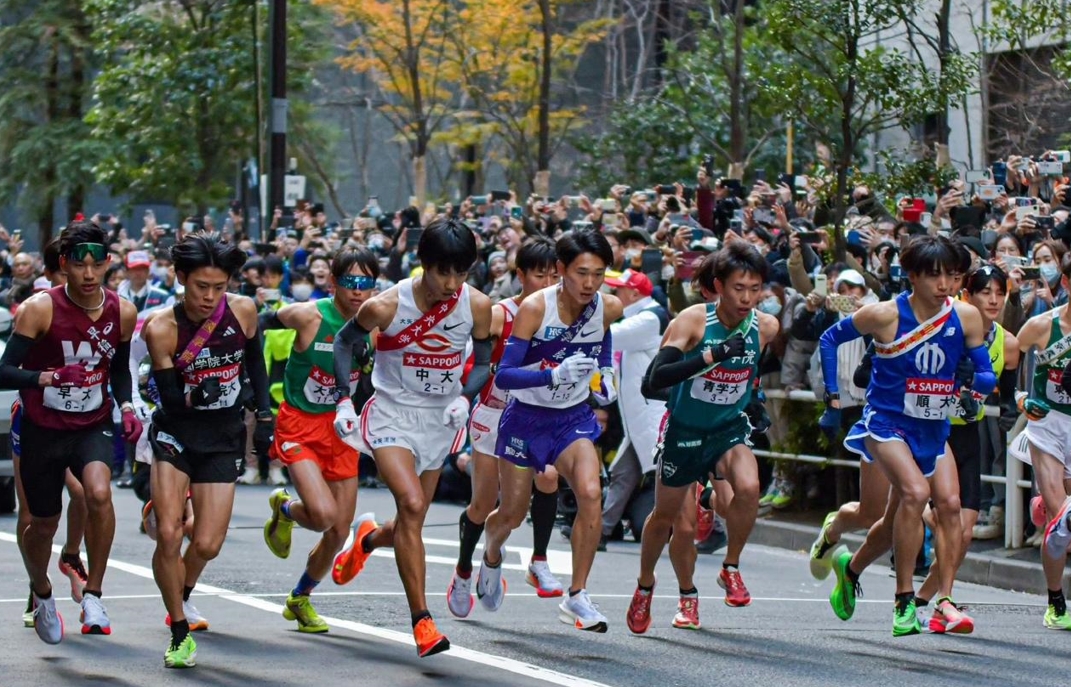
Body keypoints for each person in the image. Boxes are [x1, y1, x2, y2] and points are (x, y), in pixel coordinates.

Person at [330, 217, 492, 658]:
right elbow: (344, 344)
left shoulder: (476, 306)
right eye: (444, 272)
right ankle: (422, 622)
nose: (452, 283)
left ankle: (365, 540)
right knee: (413, 504)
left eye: (461, 273)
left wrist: (466, 397)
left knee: (410, 524)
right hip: (391, 417)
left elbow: (482, 361)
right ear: (423, 264)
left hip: (439, 421)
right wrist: (344, 401)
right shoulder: (384, 306)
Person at [819, 235, 995, 636]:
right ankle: (903, 601)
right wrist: (832, 397)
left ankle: (940, 598)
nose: (945, 285)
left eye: (952, 276)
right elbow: (831, 338)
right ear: (912, 276)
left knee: (948, 505)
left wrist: (974, 390)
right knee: (915, 494)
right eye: (935, 276)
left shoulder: (966, 316)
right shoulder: (883, 315)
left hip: (933, 426)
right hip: (887, 423)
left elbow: (985, 372)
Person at [0, 220, 141, 644]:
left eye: (96, 265)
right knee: (41, 524)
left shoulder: (123, 311)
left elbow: (118, 370)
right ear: (64, 265)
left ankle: (94, 594)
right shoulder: (40, 308)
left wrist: (128, 404)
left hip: (91, 424)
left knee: (98, 493)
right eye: (79, 266)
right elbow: (4, 371)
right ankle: (42, 593)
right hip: (44, 427)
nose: (88, 274)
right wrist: (48, 377)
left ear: (107, 264)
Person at [626, 242, 778, 634]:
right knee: (675, 524)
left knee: (749, 486)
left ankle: (730, 568)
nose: (747, 298)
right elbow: (653, 381)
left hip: (727, 428)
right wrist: (713, 356)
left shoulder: (766, 326)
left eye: (755, 288)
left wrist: (754, 400)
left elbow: (752, 371)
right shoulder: (693, 321)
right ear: (717, 287)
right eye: (738, 288)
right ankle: (649, 586)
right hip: (684, 430)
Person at [477, 229, 624, 632]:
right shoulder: (535, 309)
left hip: (572, 418)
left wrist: (607, 373)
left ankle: (577, 595)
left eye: (598, 273)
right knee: (511, 513)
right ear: (560, 270)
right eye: (580, 273)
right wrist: (552, 374)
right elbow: (504, 376)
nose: (589, 283)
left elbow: (602, 338)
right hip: (526, 417)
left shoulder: (607, 306)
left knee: (591, 493)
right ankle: (491, 555)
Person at [142, 233, 273, 668]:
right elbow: (171, 402)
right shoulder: (161, 327)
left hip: (222, 435)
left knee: (208, 543)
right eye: (201, 287)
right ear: (181, 278)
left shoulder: (244, 311)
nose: (209, 296)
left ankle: (182, 589)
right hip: (176, 434)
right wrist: (198, 394)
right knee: (168, 533)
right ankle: (179, 632)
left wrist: (265, 416)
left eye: (219, 287)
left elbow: (255, 362)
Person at [260, 249, 380, 633]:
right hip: (299, 425)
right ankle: (286, 510)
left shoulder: (376, 324)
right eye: (350, 282)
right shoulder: (309, 315)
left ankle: (300, 598)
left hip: (342, 431)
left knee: (339, 530)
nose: (358, 292)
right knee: (323, 514)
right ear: (333, 282)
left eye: (366, 283)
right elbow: (254, 324)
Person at [446, 236, 563, 619]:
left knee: (541, 485)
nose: (547, 283)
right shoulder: (500, 314)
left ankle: (513, 558)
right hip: (495, 414)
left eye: (553, 275)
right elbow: (470, 357)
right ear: (520, 276)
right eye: (538, 275)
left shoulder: (566, 316)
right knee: (484, 505)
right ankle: (465, 570)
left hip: (538, 417)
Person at [914, 264, 1019, 627]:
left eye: (999, 293)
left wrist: (1010, 410)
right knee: (945, 517)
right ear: (967, 296)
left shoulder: (1010, 343)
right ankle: (942, 600)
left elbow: (1007, 394)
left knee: (965, 530)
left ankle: (928, 599)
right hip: (933, 430)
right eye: (984, 292)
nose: (992, 300)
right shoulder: (948, 329)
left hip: (968, 434)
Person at [11, 238, 91, 627]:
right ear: (52, 273)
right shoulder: (37, 309)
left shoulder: (98, 306)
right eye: (69, 271)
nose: (81, 279)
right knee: (31, 514)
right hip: (35, 415)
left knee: (84, 490)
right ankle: (36, 587)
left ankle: (71, 553)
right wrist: (47, 376)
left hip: (79, 416)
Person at [1012, 251, 1071, 630]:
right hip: (1047, 425)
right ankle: (1055, 599)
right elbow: (1010, 359)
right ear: (1066, 283)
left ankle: (1043, 507)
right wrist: (1018, 399)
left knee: (1063, 523)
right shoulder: (1039, 326)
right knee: (1063, 518)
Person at [599, 268, 668, 549]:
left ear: (634, 293)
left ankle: (710, 527)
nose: (614, 296)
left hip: (654, 417)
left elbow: (610, 335)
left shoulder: (649, 318)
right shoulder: (643, 315)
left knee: (676, 480)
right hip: (639, 420)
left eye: (617, 290)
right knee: (623, 473)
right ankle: (601, 530)